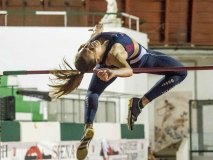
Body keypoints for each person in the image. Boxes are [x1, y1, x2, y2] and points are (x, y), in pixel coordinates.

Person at [49, 23, 187, 160]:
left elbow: (92, 40)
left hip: (110, 67)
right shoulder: (115, 53)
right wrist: (113, 72)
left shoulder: (91, 44)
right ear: (97, 61)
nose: (89, 45)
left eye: (86, 47)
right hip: (140, 60)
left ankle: (88, 127)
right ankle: (140, 103)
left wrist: (98, 30)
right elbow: (129, 70)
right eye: (89, 49)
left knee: (92, 93)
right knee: (181, 72)